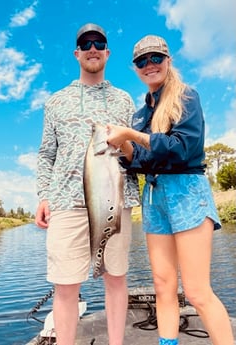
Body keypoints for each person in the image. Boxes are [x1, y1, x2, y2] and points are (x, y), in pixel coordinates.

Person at [106, 35, 235, 345]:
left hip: (187, 193)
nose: (149, 65)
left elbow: (182, 147)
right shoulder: (140, 113)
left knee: (196, 291)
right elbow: (140, 160)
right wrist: (123, 144)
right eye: (142, 61)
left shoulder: (187, 97)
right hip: (153, 197)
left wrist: (133, 135)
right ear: (135, 67)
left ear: (168, 60)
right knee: (163, 286)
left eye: (156, 58)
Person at [35, 23, 139, 345]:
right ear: (77, 53)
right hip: (65, 203)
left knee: (116, 278)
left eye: (99, 43)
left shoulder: (124, 101)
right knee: (66, 286)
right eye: (86, 43)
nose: (92, 48)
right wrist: (43, 195)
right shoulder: (55, 101)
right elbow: (45, 154)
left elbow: (135, 154)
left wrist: (122, 142)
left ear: (107, 52)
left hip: (115, 202)